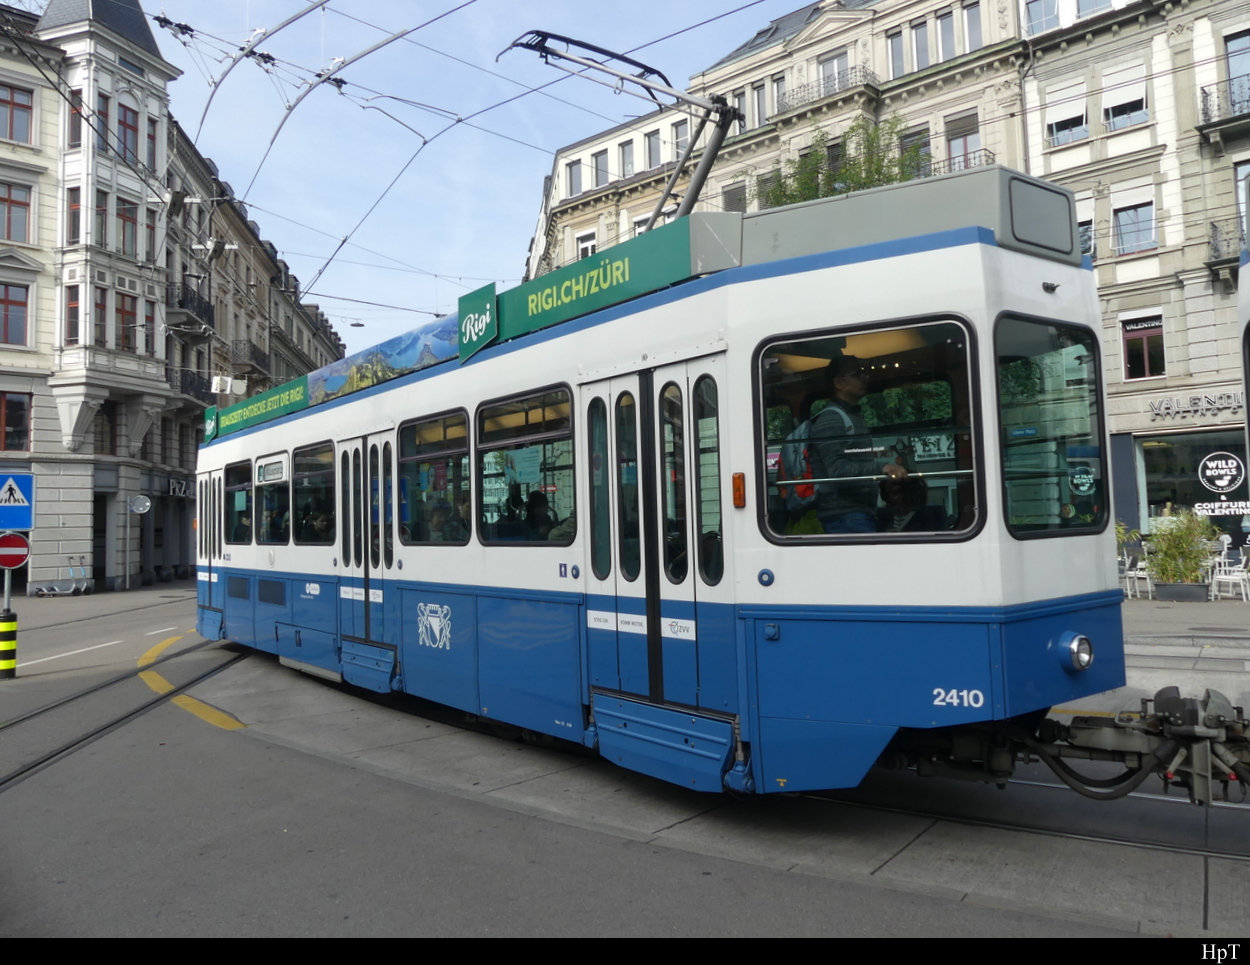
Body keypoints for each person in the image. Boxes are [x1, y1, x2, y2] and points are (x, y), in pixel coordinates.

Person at [811, 355, 907, 534]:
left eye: (864, 372)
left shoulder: (854, 416)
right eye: (857, 374)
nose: (865, 378)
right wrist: (882, 468)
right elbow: (837, 470)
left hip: (858, 512)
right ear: (839, 383)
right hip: (844, 516)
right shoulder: (831, 419)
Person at [876, 477, 945, 532]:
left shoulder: (929, 516)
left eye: (897, 492)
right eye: (889, 492)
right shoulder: (882, 516)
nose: (894, 497)